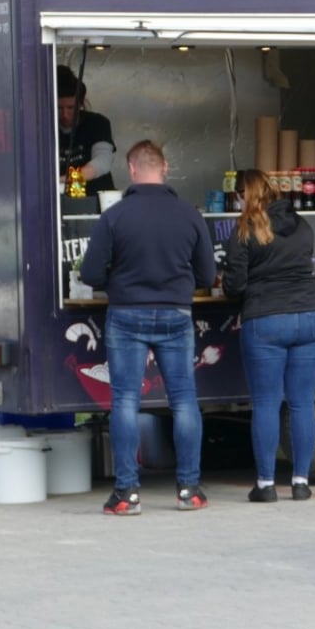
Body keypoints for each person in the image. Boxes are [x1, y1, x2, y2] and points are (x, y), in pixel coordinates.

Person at [79, 140, 216, 514]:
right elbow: (207, 274)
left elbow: (90, 273)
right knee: (184, 399)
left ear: (132, 170)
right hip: (175, 314)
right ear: (165, 167)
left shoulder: (115, 216)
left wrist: (120, 278)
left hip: (126, 314)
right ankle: (190, 490)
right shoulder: (189, 215)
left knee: (125, 399)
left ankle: (127, 494)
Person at [221, 169, 315, 504]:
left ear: (242, 194)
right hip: (311, 316)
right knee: (301, 403)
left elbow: (234, 287)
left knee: (266, 404)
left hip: (266, 320)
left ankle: (266, 485)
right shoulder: (301, 225)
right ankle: (300, 482)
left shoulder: (243, 230)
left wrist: (224, 280)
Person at [57, 65, 115, 192]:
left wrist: (63, 180)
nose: (65, 114)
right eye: (59, 108)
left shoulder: (97, 123)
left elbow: (103, 162)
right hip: (56, 204)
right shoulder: (42, 129)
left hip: (94, 200)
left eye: (71, 108)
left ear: (81, 104)